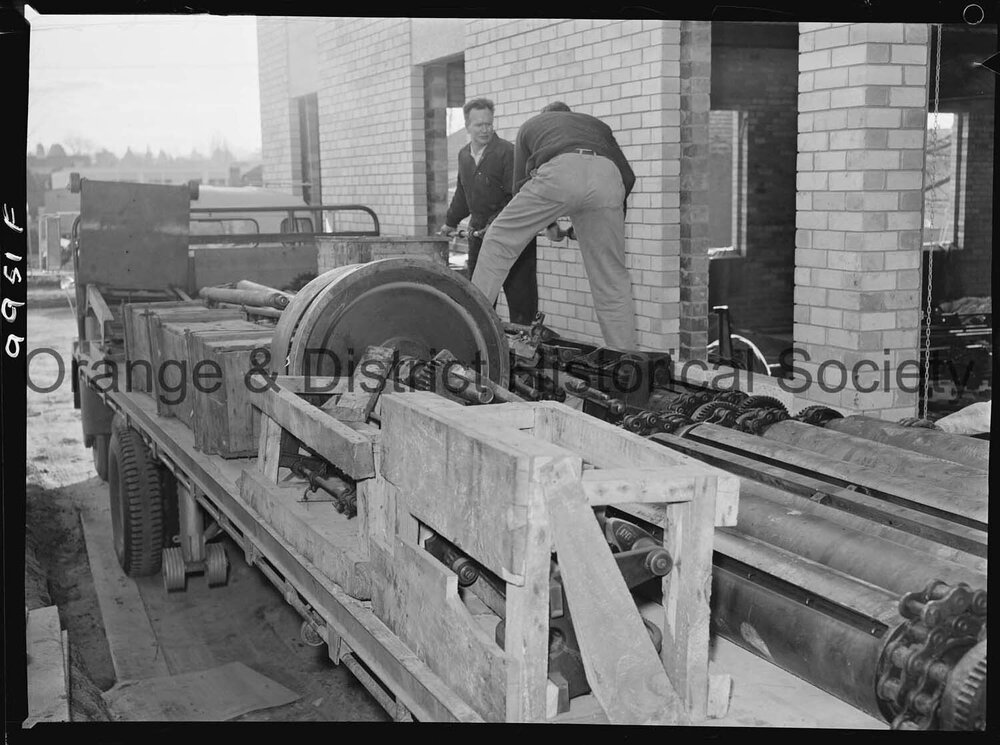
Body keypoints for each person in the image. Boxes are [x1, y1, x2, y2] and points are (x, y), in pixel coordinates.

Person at [470, 101, 638, 351]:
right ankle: (626, 358)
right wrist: (601, 226)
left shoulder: (531, 126)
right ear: (569, 116)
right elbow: (628, 178)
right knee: (611, 277)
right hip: (608, 180)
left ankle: (470, 329)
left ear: (545, 117)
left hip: (562, 173)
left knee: (498, 241)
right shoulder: (597, 126)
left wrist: (549, 226)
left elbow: (521, 187)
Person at [438, 98, 537, 325]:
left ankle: (524, 344)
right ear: (467, 126)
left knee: (521, 301)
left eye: (489, 124)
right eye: (479, 125)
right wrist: (450, 222)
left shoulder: (508, 153)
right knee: (479, 300)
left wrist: (494, 224)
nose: (485, 129)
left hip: (513, 235)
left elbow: (517, 197)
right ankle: (484, 344)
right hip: (479, 237)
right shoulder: (464, 155)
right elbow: (463, 194)